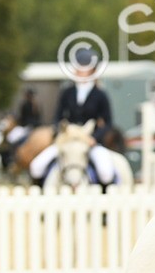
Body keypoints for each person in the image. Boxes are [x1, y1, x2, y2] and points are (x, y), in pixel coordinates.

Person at [28, 51, 117, 188]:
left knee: (105, 171)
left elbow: (108, 122)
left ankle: (105, 203)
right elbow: (58, 117)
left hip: (89, 139)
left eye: (84, 69)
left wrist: (95, 138)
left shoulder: (100, 95)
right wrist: (60, 131)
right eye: (78, 68)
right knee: (37, 165)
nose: (80, 72)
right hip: (67, 139)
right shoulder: (67, 92)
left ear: (92, 70)